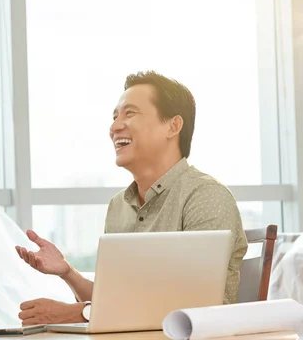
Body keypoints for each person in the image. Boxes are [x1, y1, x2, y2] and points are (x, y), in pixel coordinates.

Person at [15, 71, 248, 325]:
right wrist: (67, 272)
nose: (114, 127)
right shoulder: (118, 206)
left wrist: (80, 313)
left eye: (130, 113)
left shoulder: (206, 196)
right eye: (114, 117)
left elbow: (194, 305)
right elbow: (116, 302)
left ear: (173, 126)